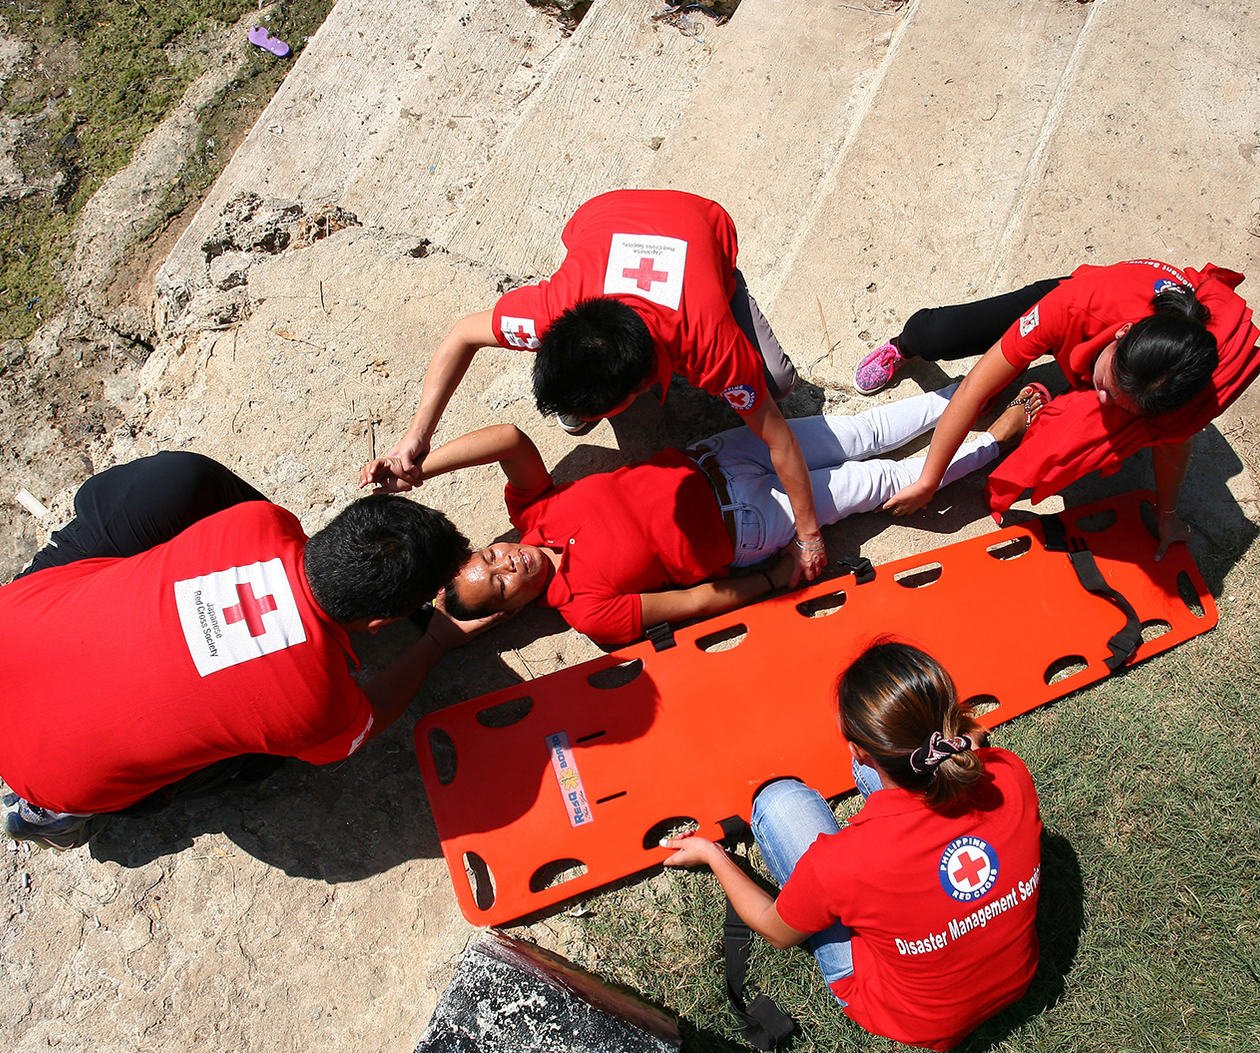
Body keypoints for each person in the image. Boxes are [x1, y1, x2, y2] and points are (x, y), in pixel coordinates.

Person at [0, 451, 476, 850]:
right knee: (263, 759)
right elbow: (362, 724)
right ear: (380, 624)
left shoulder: (256, 520)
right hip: (43, 775)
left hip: (12, 632)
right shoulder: (318, 706)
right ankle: (50, 817)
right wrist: (435, 641)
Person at [373, 188, 829, 584]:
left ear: (638, 389)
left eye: (603, 408)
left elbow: (779, 439)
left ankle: (729, 285)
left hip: (698, 225)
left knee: (778, 383)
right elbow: (461, 335)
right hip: (604, 216)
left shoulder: (710, 342)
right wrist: (417, 436)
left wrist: (808, 536)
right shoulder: (549, 312)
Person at [360, 385, 1043, 646]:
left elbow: (509, 440)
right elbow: (694, 602)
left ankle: (984, 379)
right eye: (501, 585)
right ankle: (997, 439)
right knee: (883, 481)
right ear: (509, 610)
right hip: (753, 526)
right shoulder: (588, 611)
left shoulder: (531, 512)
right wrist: (777, 581)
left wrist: (419, 461)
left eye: (489, 559)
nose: (507, 565)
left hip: (723, 455)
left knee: (863, 430)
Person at [662, 641, 1043, 1052]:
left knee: (780, 802)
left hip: (915, 1018)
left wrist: (713, 856)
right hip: (1018, 976)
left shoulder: (841, 864)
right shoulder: (1007, 775)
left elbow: (776, 930)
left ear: (858, 750)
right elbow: (975, 742)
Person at [851, 260, 1259, 558]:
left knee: (1080, 440)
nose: (1102, 403)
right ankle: (903, 345)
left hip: (1147, 350)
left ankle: (1034, 400)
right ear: (1121, 334)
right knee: (935, 334)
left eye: (1123, 406)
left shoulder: (1187, 382)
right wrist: (928, 479)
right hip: (1077, 303)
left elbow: (1173, 443)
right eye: (1105, 387)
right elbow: (974, 388)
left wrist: (1168, 514)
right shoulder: (1073, 306)